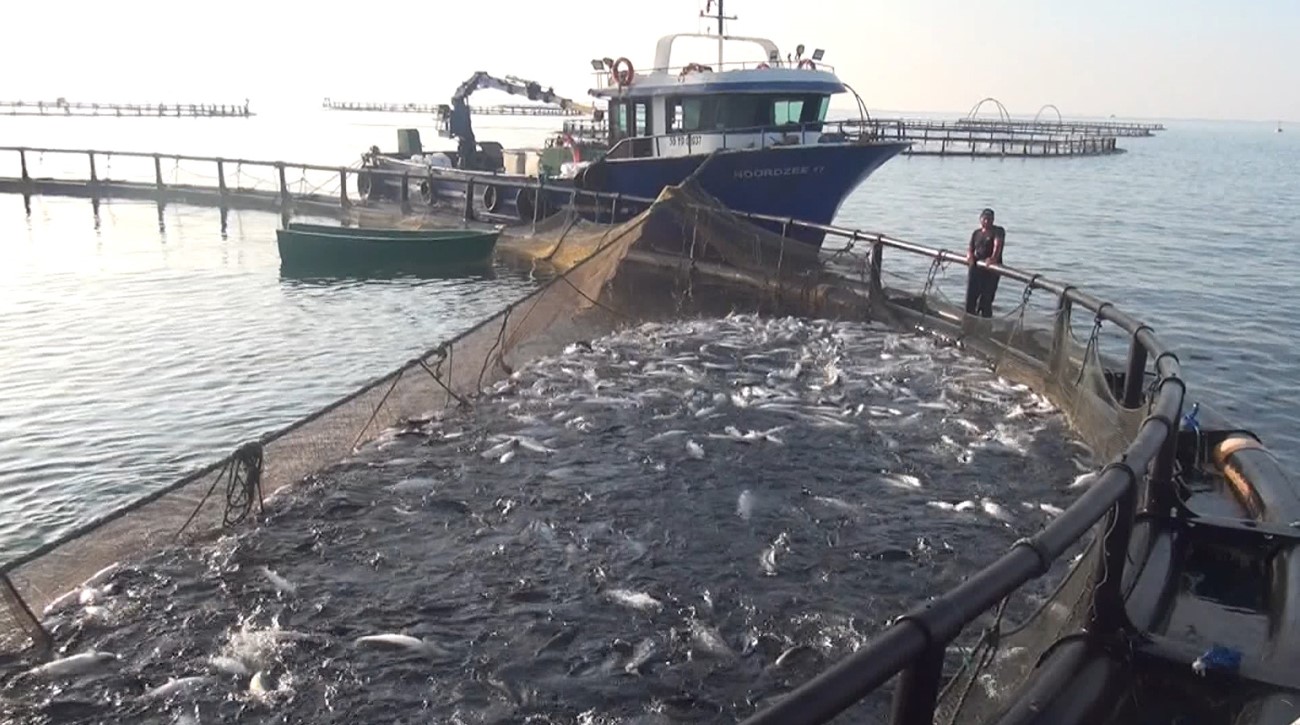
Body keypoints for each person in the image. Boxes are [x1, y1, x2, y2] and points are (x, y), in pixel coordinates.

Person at [965, 208, 1005, 318]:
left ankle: (985, 325)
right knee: (970, 299)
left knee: (986, 301)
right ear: (981, 219)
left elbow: (998, 245)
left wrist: (993, 258)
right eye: (985, 219)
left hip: (990, 271)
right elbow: (970, 247)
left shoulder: (998, 231)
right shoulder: (976, 233)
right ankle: (969, 323)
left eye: (990, 219)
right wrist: (969, 255)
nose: (987, 222)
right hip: (976, 268)